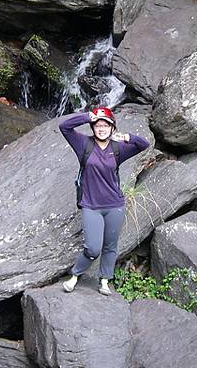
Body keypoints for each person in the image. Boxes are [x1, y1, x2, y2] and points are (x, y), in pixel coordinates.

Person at [59, 107, 149, 295]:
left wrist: (126, 137)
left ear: (112, 128)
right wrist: (87, 116)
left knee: (110, 246)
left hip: (115, 205)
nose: (101, 128)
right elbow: (64, 127)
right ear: (93, 128)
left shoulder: (117, 149)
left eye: (106, 125)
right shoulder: (83, 144)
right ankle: (75, 275)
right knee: (92, 248)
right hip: (91, 205)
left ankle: (105, 280)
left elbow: (143, 144)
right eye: (98, 125)